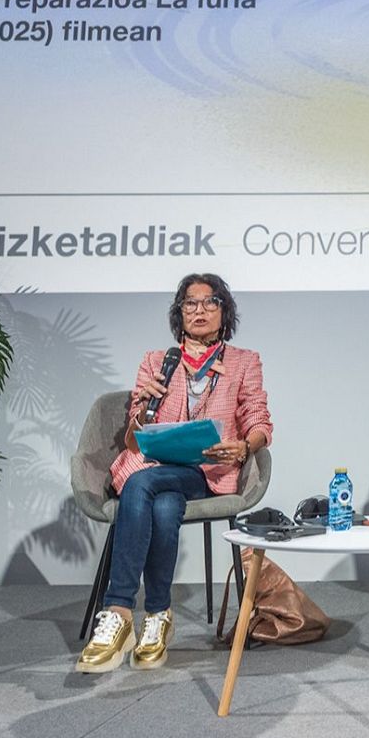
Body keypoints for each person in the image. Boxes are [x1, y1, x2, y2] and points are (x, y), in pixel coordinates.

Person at [76, 273, 273, 673]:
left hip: (206, 471)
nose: (199, 310)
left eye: (210, 302)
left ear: (224, 311)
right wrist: (143, 409)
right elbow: (133, 441)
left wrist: (244, 446)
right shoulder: (157, 362)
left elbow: (259, 418)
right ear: (179, 313)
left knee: (141, 484)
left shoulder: (243, 361)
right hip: (158, 468)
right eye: (190, 303)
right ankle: (157, 616)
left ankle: (118, 609)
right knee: (162, 504)